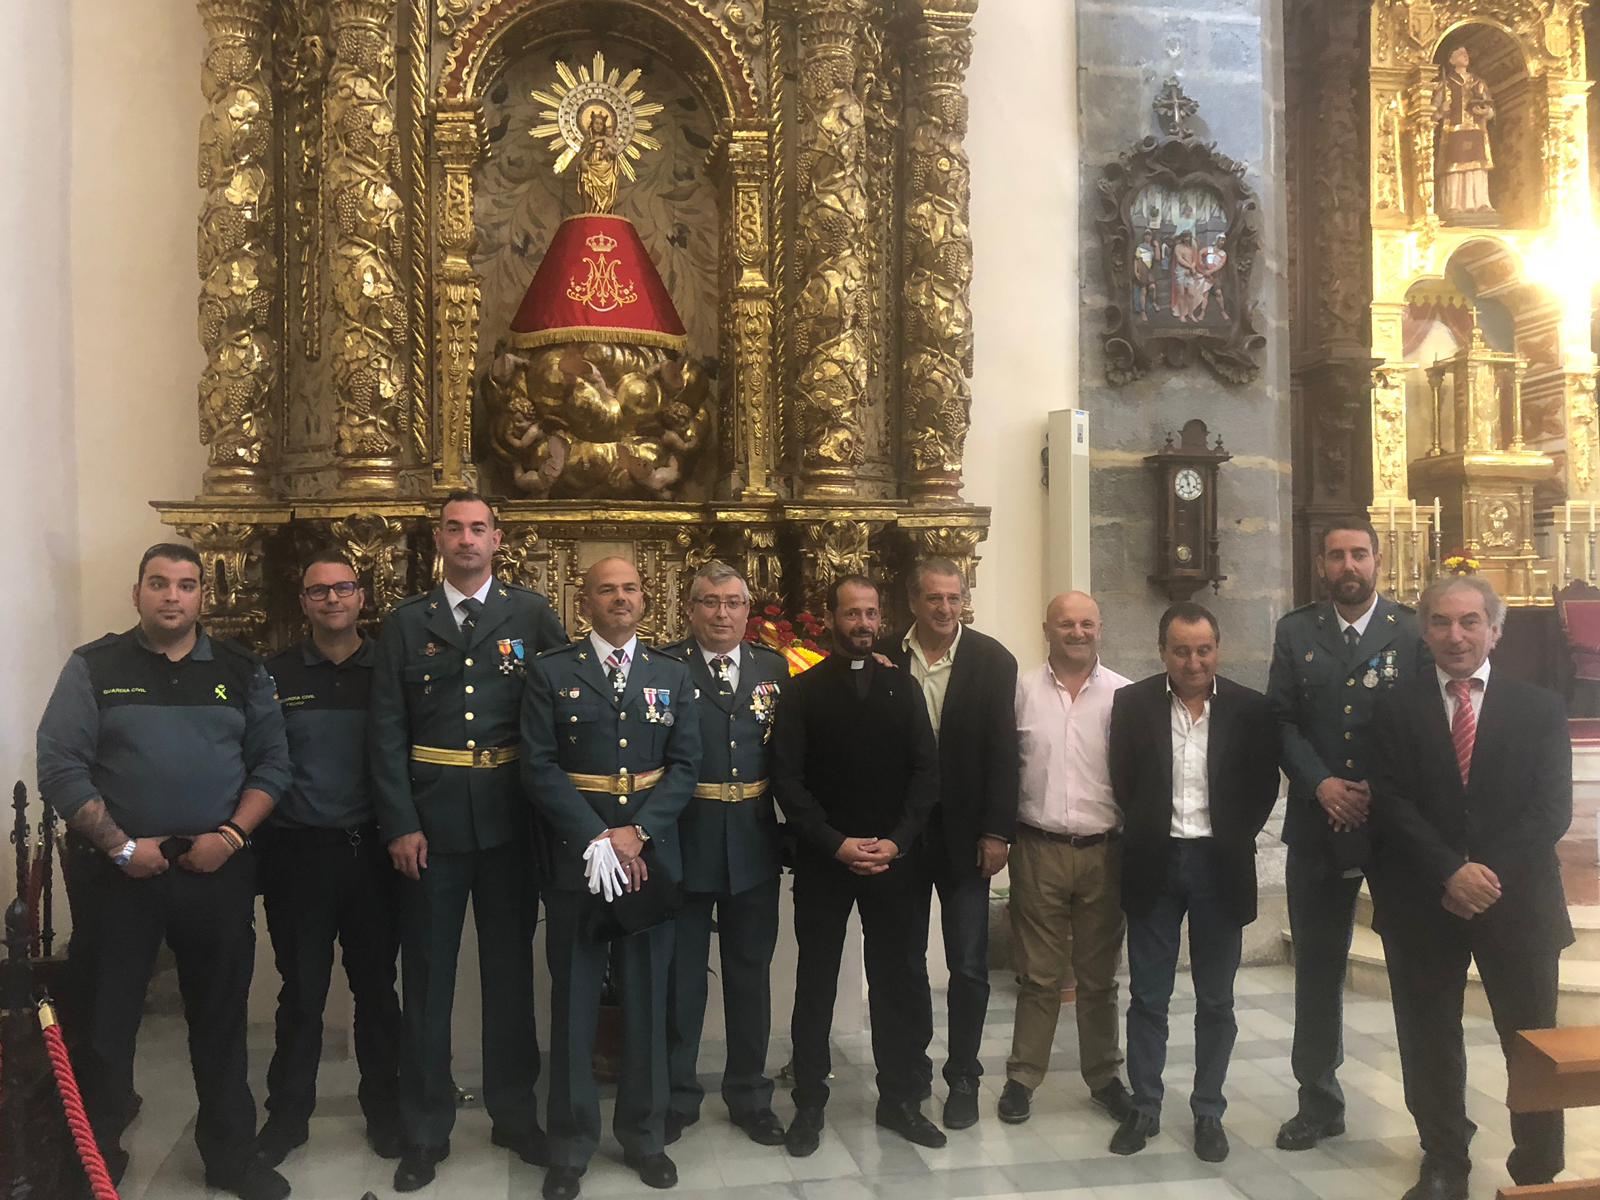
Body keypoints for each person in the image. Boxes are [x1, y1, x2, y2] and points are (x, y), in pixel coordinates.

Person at [36, 542, 293, 1200]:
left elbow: (273, 765)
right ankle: (92, 1161)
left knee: (221, 1022)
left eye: (185, 585)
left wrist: (231, 837)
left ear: (203, 595)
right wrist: (122, 847)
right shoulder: (94, 666)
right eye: (158, 583)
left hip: (215, 868)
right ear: (137, 593)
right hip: (123, 874)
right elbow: (61, 763)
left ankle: (232, 1158)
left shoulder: (241, 669)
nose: (172, 596)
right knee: (106, 1028)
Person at [368, 491, 567, 1192]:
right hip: (432, 828)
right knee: (428, 980)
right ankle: (425, 1130)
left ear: (498, 538)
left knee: (510, 977)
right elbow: (387, 733)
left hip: (511, 824)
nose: (466, 539)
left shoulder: (531, 614)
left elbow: (561, 713)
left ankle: (515, 1115)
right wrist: (399, 822)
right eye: (453, 528)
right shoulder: (404, 623)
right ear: (438, 539)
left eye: (477, 528)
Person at [1369, 576, 1572, 1200]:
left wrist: (1482, 872)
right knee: (1429, 1035)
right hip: (1424, 900)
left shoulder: (1538, 708)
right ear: (1423, 630)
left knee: (1533, 1040)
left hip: (1517, 900)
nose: (1454, 635)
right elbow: (1391, 802)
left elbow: (1550, 811)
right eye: (1440, 622)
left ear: (1495, 631)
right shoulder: (1394, 706)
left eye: (1469, 622)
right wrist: (1448, 871)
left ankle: (1538, 1168)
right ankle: (1444, 1160)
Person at [522, 556, 702, 1200]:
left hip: (648, 855)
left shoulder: (672, 675)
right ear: (585, 601)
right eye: (606, 589)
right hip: (580, 856)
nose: (619, 598)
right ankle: (569, 1145)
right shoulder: (551, 673)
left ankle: (645, 1137)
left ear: (644, 600)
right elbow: (538, 767)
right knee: (572, 1000)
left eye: (629, 588)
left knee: (648, 998)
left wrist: (638, 832)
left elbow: (685, 765)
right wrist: (596, 834)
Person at [1267, 518, 1429, 1152]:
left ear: (1378, 560)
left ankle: (1431, 1112)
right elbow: (1281, 721)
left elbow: (1422, 727)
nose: (1348, 565)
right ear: (1321, 565)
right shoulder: (1295, 631)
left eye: (1358, 553)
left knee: (1416, 973)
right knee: (1316, 970)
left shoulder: (1411, 630)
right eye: (1336, 556)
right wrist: (1322, 785)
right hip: (1318, 824)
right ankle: (1318, 1100)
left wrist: (1373, 795)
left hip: (1394, 831)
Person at [773, 575, 944, 1157]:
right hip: (826, 861)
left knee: (900, 979)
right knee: (815, 982)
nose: (864, 624)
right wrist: (833, 842)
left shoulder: (905, 692)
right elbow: (788, 780)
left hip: (896, 862)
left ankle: (901, 1098)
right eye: (852, 614)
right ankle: (809, 1105)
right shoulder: (803, 692)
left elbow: (926, 774)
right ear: (830, 619)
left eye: (871, 613)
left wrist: (896, 842)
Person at [1106, 602, 1280, 1163]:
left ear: (1217, 649)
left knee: (1217, 1000)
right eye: (1181, 650)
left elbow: (1261, 788)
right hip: (1154, 862)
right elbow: (1123, 779)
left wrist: (1229, 834)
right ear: (1163, 652)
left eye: (1203, 649)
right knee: (1148, 995)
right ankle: (1146, 1106)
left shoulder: (1250, 710)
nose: (1193, 661)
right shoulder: (1131, 704)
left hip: (1218, 866)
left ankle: (1209, 1111)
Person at [256, 551, 403, 1168]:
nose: (333, 599)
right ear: (305, 603)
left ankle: (387, 1113)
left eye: (344, 588)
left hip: (373, 853)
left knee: (376, 991)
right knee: (303, 994)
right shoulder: (273, 674)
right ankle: (288, 1117)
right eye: (320, 591)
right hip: (300, 857)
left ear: (361, 597)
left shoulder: (389, 669)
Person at [883, 558, 1018, 1131]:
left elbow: (1003, 753)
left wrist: (998, 831)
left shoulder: (992, 659)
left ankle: (963, 1076)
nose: (944, 608)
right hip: (903, 835)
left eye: (953, 598)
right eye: (933, 599)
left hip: (967, 835)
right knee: (905, 962)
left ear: (965, 599)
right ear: (913, 602)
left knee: (968, 965)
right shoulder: (886, 653)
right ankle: (910, 1075)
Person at [659, 562, 788, 1148]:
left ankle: (749, 1094)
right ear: (690, 610)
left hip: (753, 840)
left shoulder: (773, 666)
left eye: (733, 602)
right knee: (683, 976)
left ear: (747, 609)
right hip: (687, 837)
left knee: (749, 973)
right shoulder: (664, 666)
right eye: (709, 602)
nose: (721, 613)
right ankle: (677, 1094)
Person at [1000, 591, 1133, 1127]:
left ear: (1099, 628)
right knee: (1038, 975)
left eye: (1086, 623)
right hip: (1038, 849)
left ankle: (1104, 1077)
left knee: (1099, 978)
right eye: (1065, 624)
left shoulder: (1126, 695)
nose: (1076, 632)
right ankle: (1022, 1078)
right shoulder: (1020, 693)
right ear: (1046, 629)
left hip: (1106, 852)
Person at [1434, 45, 1496, 218]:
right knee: (1455, 167)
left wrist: (1485, 111)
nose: (1464, 55)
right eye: (1459, 53)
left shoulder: (1479, 83)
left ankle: (1480, 202)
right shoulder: (1446, 84)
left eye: (1466, 53)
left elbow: (1490, 108)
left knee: (1477, 167)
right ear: (1452, 60)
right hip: (1454, 130)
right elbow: (1432, 113)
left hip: (1476, 129)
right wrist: (1441, 110)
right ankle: (1454, 204)